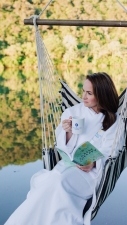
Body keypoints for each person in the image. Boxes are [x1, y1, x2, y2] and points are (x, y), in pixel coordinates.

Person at [5, 72, 119, 225]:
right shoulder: (72, 112)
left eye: (89, 93)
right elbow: (61, 148)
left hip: (90, 174)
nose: (83, 96)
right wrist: (68, 132)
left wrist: (93, 164)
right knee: (52, 181)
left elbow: (112, 152)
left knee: (58, 181)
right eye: (83, 91)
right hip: (66, 165)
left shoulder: (113, 121)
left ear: (102, 95)